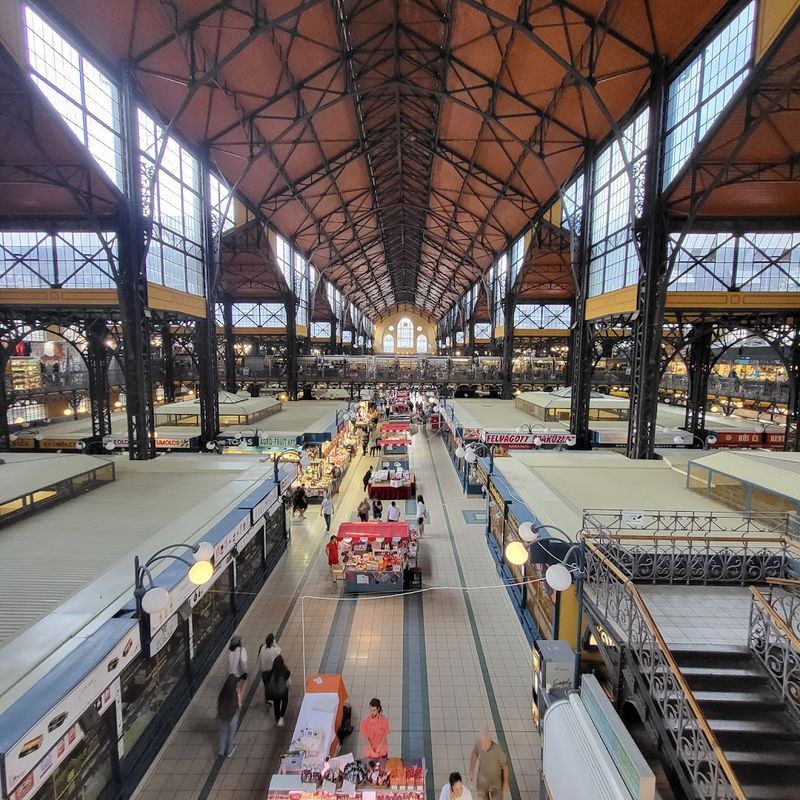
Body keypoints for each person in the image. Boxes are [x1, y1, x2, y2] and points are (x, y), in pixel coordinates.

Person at [469, 730, 509, 800]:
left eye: (484, 742)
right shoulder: (479, 744)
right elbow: (475, 753)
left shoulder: (498, 751)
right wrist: (471, 771)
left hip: (496, 784)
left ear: (489, 739)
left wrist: (505, 782)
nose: (482, 745)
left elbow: (505, 767)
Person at [217, 674, 244, 758]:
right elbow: (239, 705)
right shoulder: (235, 693)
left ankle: (221, 752)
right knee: (231, 733)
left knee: (223, 733)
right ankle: (229, 750)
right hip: (232, 715)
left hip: (223, 716)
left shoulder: (223, 692)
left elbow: (219, 703)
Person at [267, 654, 292, 727]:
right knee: (284, 702)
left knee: (276, 705)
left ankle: (277, 718)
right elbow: (289, 683)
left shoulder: (272, 671)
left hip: (274, 692)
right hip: (283, 691)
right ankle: (281, 717)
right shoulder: (285, 671)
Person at [258, 633, 281, 708]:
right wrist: (275, 644)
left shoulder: (263, 648)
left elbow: (260, 658)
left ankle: (268, 700)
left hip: (263, 670)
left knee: (266, 685)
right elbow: (279, 650)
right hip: (271, 671)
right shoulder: (274, 650)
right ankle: (272, 699)